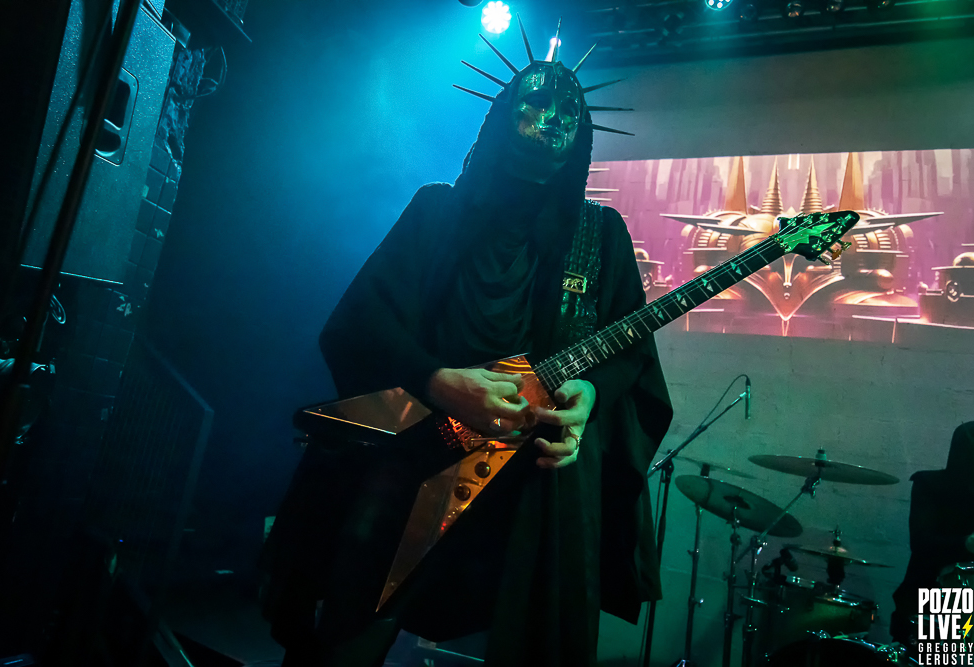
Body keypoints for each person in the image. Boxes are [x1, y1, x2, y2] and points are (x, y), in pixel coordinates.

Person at [259, 46, 673, 667]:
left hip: (536, 484)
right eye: (538, 100)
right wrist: (438, 381)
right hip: (413, 456)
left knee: (537, 635)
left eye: (570, 110)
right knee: (351, 624)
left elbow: (630, 352)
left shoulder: (602, 235)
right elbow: (359, 324)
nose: (555, 117)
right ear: (504, 112)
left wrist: (589, 397)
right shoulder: (437, 213)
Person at [890, 420, 974, 644]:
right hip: (931, 600)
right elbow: (921, 543)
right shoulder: (930, 485)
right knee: (936, 656)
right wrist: (966, 544)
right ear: (965, 458)